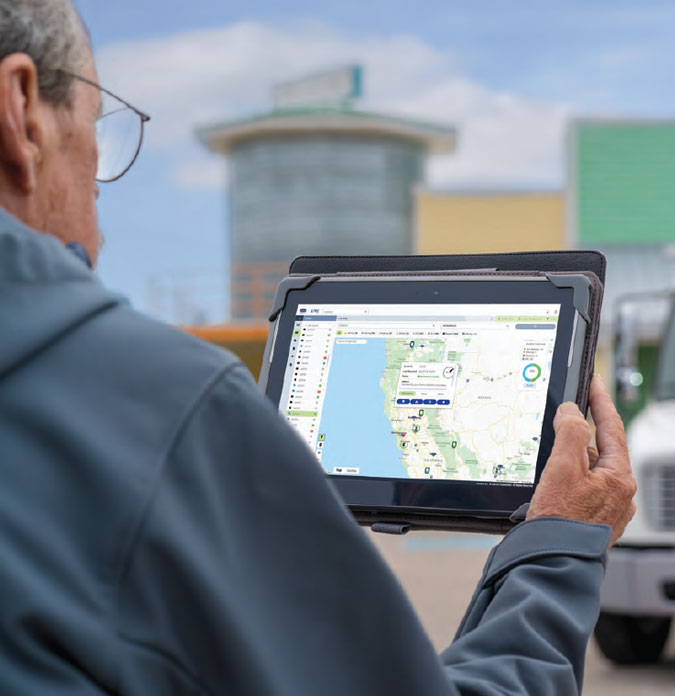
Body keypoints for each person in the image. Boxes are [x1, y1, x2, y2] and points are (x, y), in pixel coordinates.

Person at [0, 1, 637, 694]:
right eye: (95, 133)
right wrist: (561, 545)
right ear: (22, 111)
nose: (97, 183)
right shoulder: (160, 412)